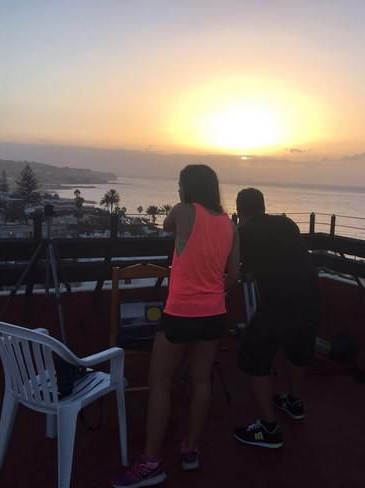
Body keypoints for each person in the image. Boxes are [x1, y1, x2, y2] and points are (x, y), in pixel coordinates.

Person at [112, 164, 239, 488]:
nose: (178, 188)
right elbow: (233, 276)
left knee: (161, 384)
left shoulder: (183, 211)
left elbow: (168, 224)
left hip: (181, 313)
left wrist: (183, 201)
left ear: (188, 187)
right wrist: (211, 294)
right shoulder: (229, 224)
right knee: (201, 381)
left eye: (180, 184)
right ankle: (191, 448)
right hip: (214, 314)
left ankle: (151, 462)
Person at [233, 188, 319, 448]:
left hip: (279, 302)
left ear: (240, 212)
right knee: (296, 350)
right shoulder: (286, 222)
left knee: (253, 357)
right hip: (310, 296)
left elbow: (240, 271)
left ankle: (268, 429)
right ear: (263, 206)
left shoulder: (243, 232)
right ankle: (294, 402)